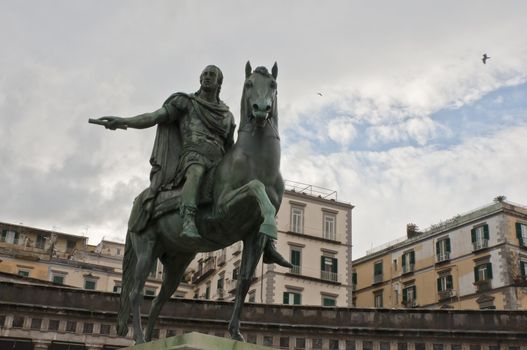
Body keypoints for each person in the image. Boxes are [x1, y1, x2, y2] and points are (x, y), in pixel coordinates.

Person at [97, 65, 290, 266]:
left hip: (217, 160)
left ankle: (266, 242)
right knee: (196, 172)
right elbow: (155, 117)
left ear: (219, 83)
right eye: (205, 74)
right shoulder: (186, 102)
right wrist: (124, 121)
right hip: (193, 156)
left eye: (212, 75)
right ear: (200, 79)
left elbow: (230, 145)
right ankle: (188, 219)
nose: (207, 78)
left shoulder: (227, 115)